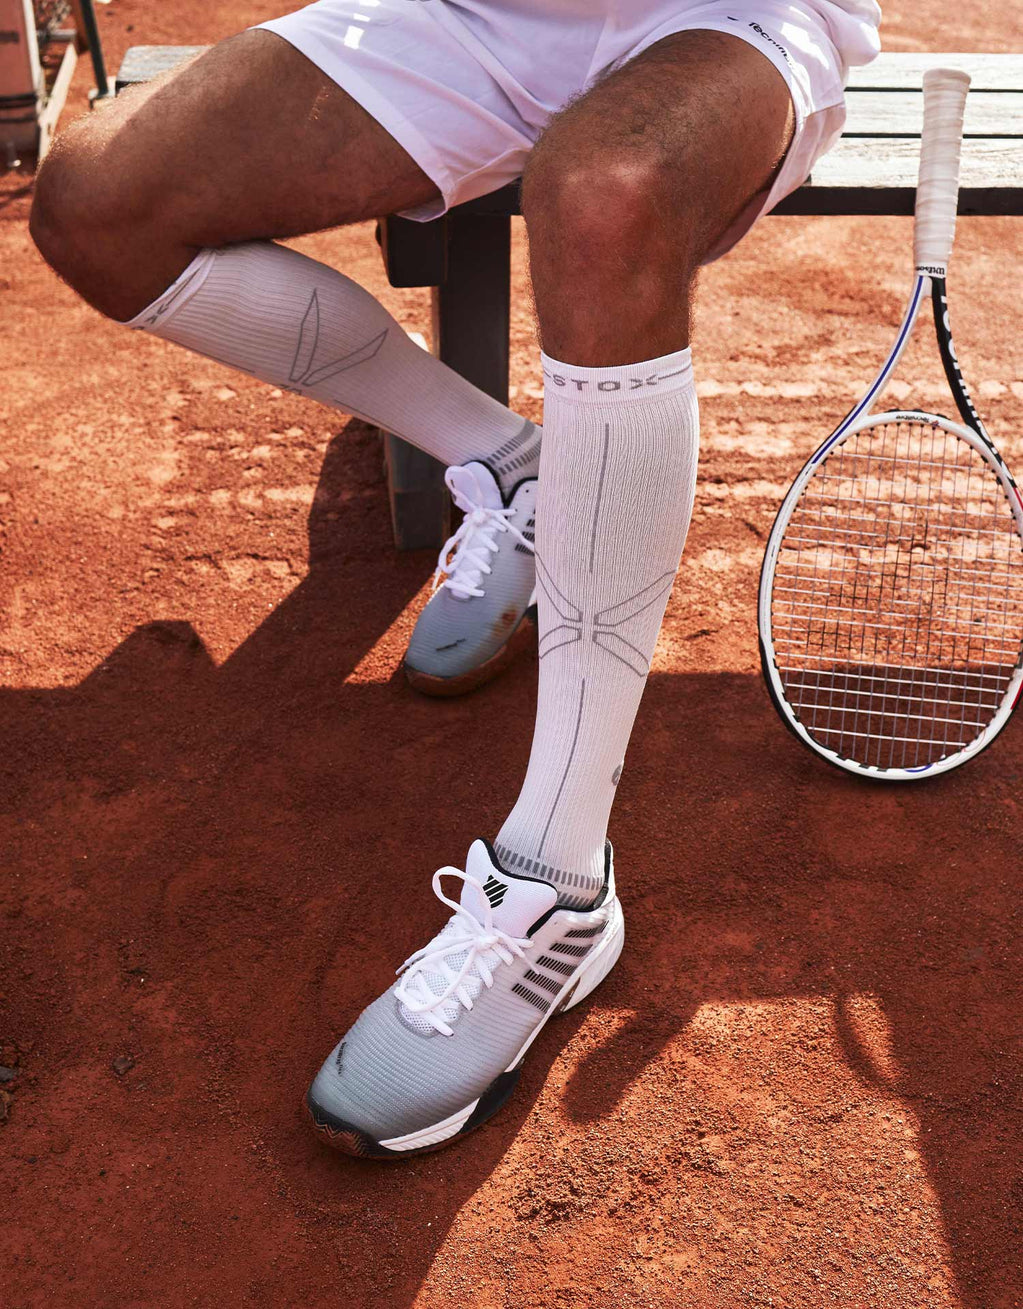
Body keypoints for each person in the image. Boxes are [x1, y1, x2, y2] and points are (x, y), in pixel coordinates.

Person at [29, 0, 881, 1158]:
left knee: (607, 189)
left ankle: (558, 888)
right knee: (96, 203)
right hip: (469, 12)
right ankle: (508, 461)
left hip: (721, 22)